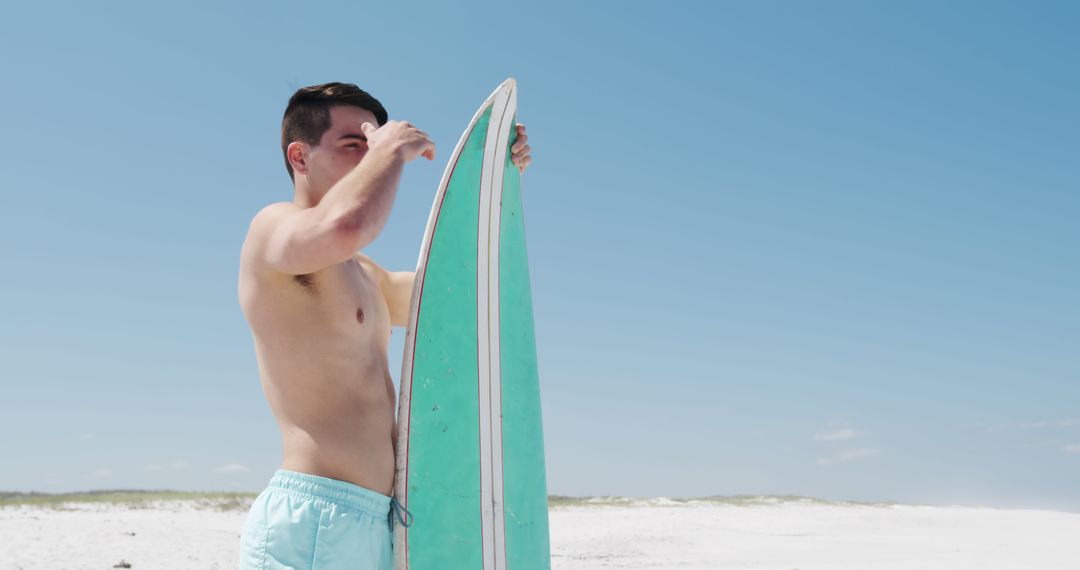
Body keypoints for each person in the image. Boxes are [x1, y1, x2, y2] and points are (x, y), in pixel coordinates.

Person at [235, 82, 532, 570]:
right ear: (300, 156)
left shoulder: (364, 273)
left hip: (379, 521)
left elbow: (461, 293)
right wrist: (391, 149)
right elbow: (345, 225)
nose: (370, 154)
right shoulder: (273, 230)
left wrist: (498, 179)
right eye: (355, 144)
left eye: (372, 143)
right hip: (316, 517)